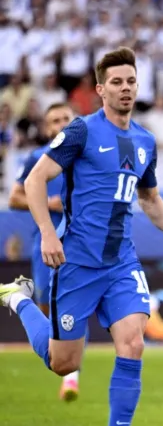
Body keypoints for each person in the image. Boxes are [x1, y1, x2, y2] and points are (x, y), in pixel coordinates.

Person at [0, 47, 163, 426]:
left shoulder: (146, 140)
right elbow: (35, 180)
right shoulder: (80, 131)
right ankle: (19, 299)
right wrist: (45, 233)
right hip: (76, 262)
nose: (125, 88)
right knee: (64, 364)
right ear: (100, 89)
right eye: (116, 82)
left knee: (133, 341)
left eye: (131, 80)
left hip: (121, 262)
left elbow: (149, 197)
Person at [8, 102, 81, 402]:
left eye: (66, 118)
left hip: (80, 244)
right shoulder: (38, 159)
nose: (61, 123)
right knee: (48, 310)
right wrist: (46, 204)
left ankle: (72, 376)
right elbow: (14, 198)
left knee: (77, 304)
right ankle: (17, 299)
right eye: (55, 120)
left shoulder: (87, 156)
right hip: (47, 244)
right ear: (47, 127)